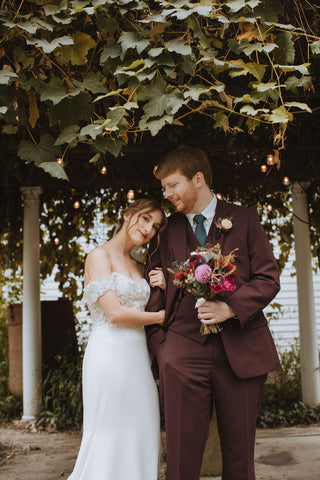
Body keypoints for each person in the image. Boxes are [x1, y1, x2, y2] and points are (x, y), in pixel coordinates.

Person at [145, 146, 281, 480]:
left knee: (239, 456)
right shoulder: (167, 231)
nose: (167, 194)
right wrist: (162, 349)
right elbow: (154, 292)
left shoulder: (245, 219)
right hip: (181, 352)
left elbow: (268, 278)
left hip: (242, 349)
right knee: (180, 456)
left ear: (199, 179)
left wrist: (229, 307)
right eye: (164, 188)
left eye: (172, 185)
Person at [68, 198, 168, 480]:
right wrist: (162, 317)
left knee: (143, 431)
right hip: (109, 355)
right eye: (146, 218)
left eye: (156, 226)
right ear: (128, 214)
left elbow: (143, 305)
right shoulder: (99, 256)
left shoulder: (140, 266)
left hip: (138, 359)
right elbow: (114, 313)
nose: (149, 228)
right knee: (109, 434)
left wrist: (163, 283)